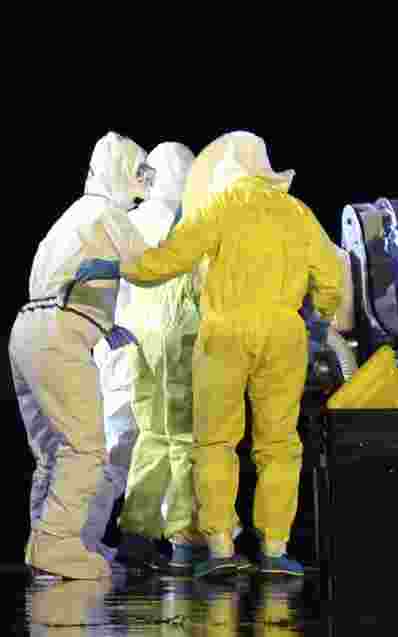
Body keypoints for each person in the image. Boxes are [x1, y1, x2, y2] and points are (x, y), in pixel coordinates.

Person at [75, 131, 343, 578]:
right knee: (279, 446)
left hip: (223, 336)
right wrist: (318, 322)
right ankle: (275, 550)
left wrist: (114, 268)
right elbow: (331, 277)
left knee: (214, 442)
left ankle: (219, 548)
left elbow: (166, 261)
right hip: (283, 335)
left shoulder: (221, 207)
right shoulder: (297, 212)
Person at [11, 132, 152, 579]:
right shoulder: (107, 213)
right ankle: (58, 544)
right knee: (86, 447)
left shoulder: (74, 214)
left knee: (53, 452)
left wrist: (107, 325)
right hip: (58, 333)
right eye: (138, 171)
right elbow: (150, 266)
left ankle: (45, 544)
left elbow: (68, 279)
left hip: (28, 328)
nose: (143, 181)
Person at [112, 141, 209, 572]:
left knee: (150, 436)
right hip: (178, 334)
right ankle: (186, 542)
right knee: (185, 439)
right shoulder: (188, 221)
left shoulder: (128, 221)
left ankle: (136, 535)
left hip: (137, 337)